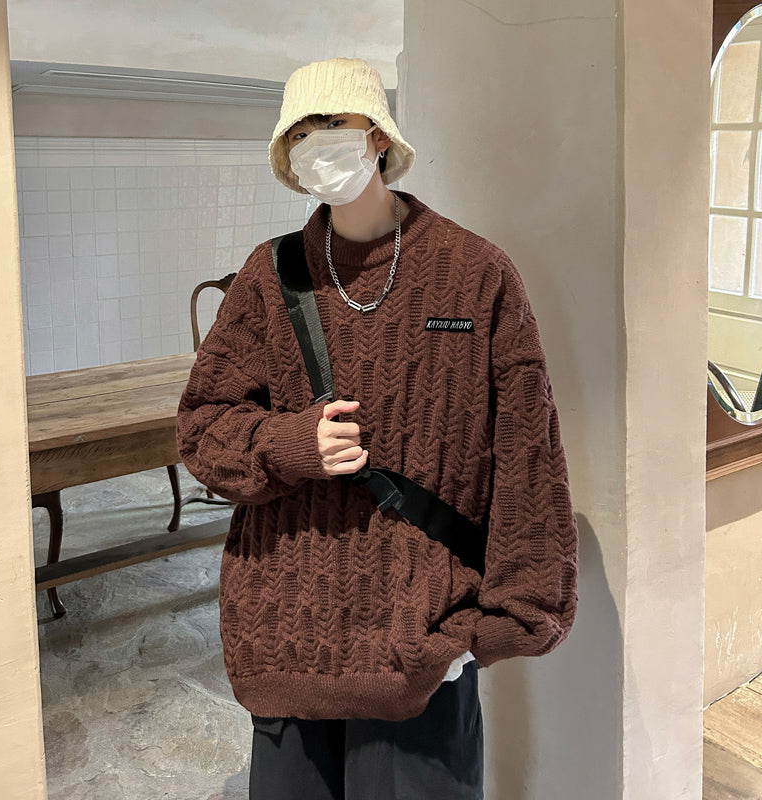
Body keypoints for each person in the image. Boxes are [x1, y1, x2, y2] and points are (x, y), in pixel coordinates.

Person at [176, 57, 579, 800]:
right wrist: (289, 444)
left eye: (333, 122)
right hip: (288, 632)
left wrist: (501, 624)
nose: (316, 142)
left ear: (379, 136)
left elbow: (528, 459)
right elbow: (201, 429)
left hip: (421, 640)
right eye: (300, 131)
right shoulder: (269, 276)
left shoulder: (476, 274)